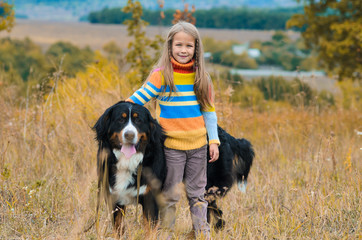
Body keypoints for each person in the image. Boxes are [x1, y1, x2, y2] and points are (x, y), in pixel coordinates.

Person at [127, 21, 219, 238]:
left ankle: (202, 234)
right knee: (169, 195)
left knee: (198, 195)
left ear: (196, 48)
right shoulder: (161, 75)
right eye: (179, 45)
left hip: (198, 146)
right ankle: (166, 234)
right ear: (170, 46)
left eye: (189, 46)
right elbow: (137, 100)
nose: (183, 50)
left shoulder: (201, 77)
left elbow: (209, 111)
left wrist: (213, 141)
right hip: (170, 148)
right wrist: (119, 111)